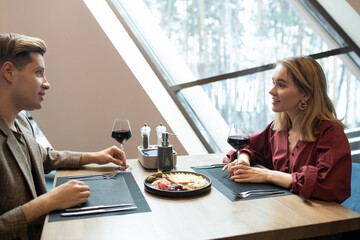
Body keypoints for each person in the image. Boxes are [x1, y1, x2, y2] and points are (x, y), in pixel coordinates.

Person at [0, 33, 128, 239]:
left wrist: (93, 157)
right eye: (38, 73)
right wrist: (48, 201)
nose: (46, 83)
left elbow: (42, 156)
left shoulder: (21, 121)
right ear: (9, 71)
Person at [223, 56, 351, 203]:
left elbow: (328, 185)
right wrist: (244, 160)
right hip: (284, 210)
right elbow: (249, 145)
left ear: (305, 94)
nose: (271, 91)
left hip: (319, 219)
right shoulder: (277, 129)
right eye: (273, 83)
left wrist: (267, 175)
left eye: (281, 85)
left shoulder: (330, 133)